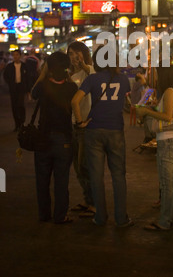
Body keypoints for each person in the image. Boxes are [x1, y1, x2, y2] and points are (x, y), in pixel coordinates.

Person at [71, 45, 132, 228]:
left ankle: (100, 217)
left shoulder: (92, 79)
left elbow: (75, 101)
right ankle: (121, 219)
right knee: (118, 176)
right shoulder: (123, 80)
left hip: (93, 131)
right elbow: (127, 102)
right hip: (115, 131)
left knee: (96, 176)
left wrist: (80, 122)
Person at [31, 52, 78, 224]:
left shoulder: (42, 86)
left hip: (42, 138)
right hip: (64, 139)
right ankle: (60, 216)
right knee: (62, 180)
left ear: (48, 68)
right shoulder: (71, 88)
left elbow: (32, 94)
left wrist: (44, 74)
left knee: (42, 180)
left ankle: (44, 214)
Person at [136, 66, 173, 231]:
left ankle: (164, 221)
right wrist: (154, 107)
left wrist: (147, 111)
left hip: (167, 141)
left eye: (157, 73)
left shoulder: (169, 91)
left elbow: (168, 116)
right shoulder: (170, 92)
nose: (155, 76)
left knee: (167, 184)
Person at [67, 41, 95, 218]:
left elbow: (92, 74)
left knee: (86, 165)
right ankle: (87, 199)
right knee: (77, 166)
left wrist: (84, 64)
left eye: (76, 54)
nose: (73, 58)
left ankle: (94, 203)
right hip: (73, 124)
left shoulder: (90, 72)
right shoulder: (71, 74)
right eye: (70, 54)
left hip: (86, 123)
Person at [3, 49, 30, 131]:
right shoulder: (9, 66)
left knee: (21, 105)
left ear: (20, 56)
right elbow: (5, 76)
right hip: (13, 88)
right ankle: (17, 124)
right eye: (14, 55)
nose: (15, 56)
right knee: (14, 106)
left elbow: (28, 78)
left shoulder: (24, 66)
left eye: (17, 55)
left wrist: (28, 89)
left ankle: (22, 122)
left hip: (22, 88)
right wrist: (10, 83)